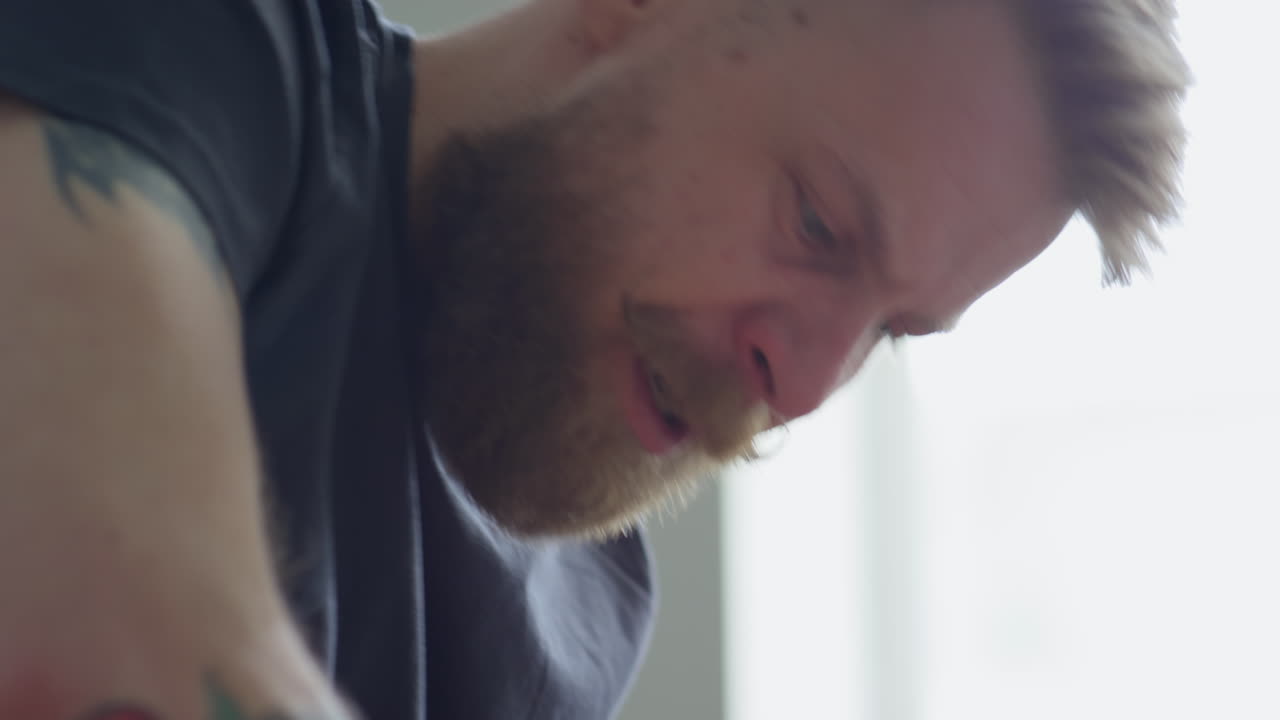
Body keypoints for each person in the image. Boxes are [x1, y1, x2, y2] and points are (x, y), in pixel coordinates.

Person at [0, 0, 1188, 717]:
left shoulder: (582, 624)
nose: (809, 383)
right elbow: (103, 619)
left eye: (891, 329)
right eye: (818, 224)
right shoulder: (209, 46)